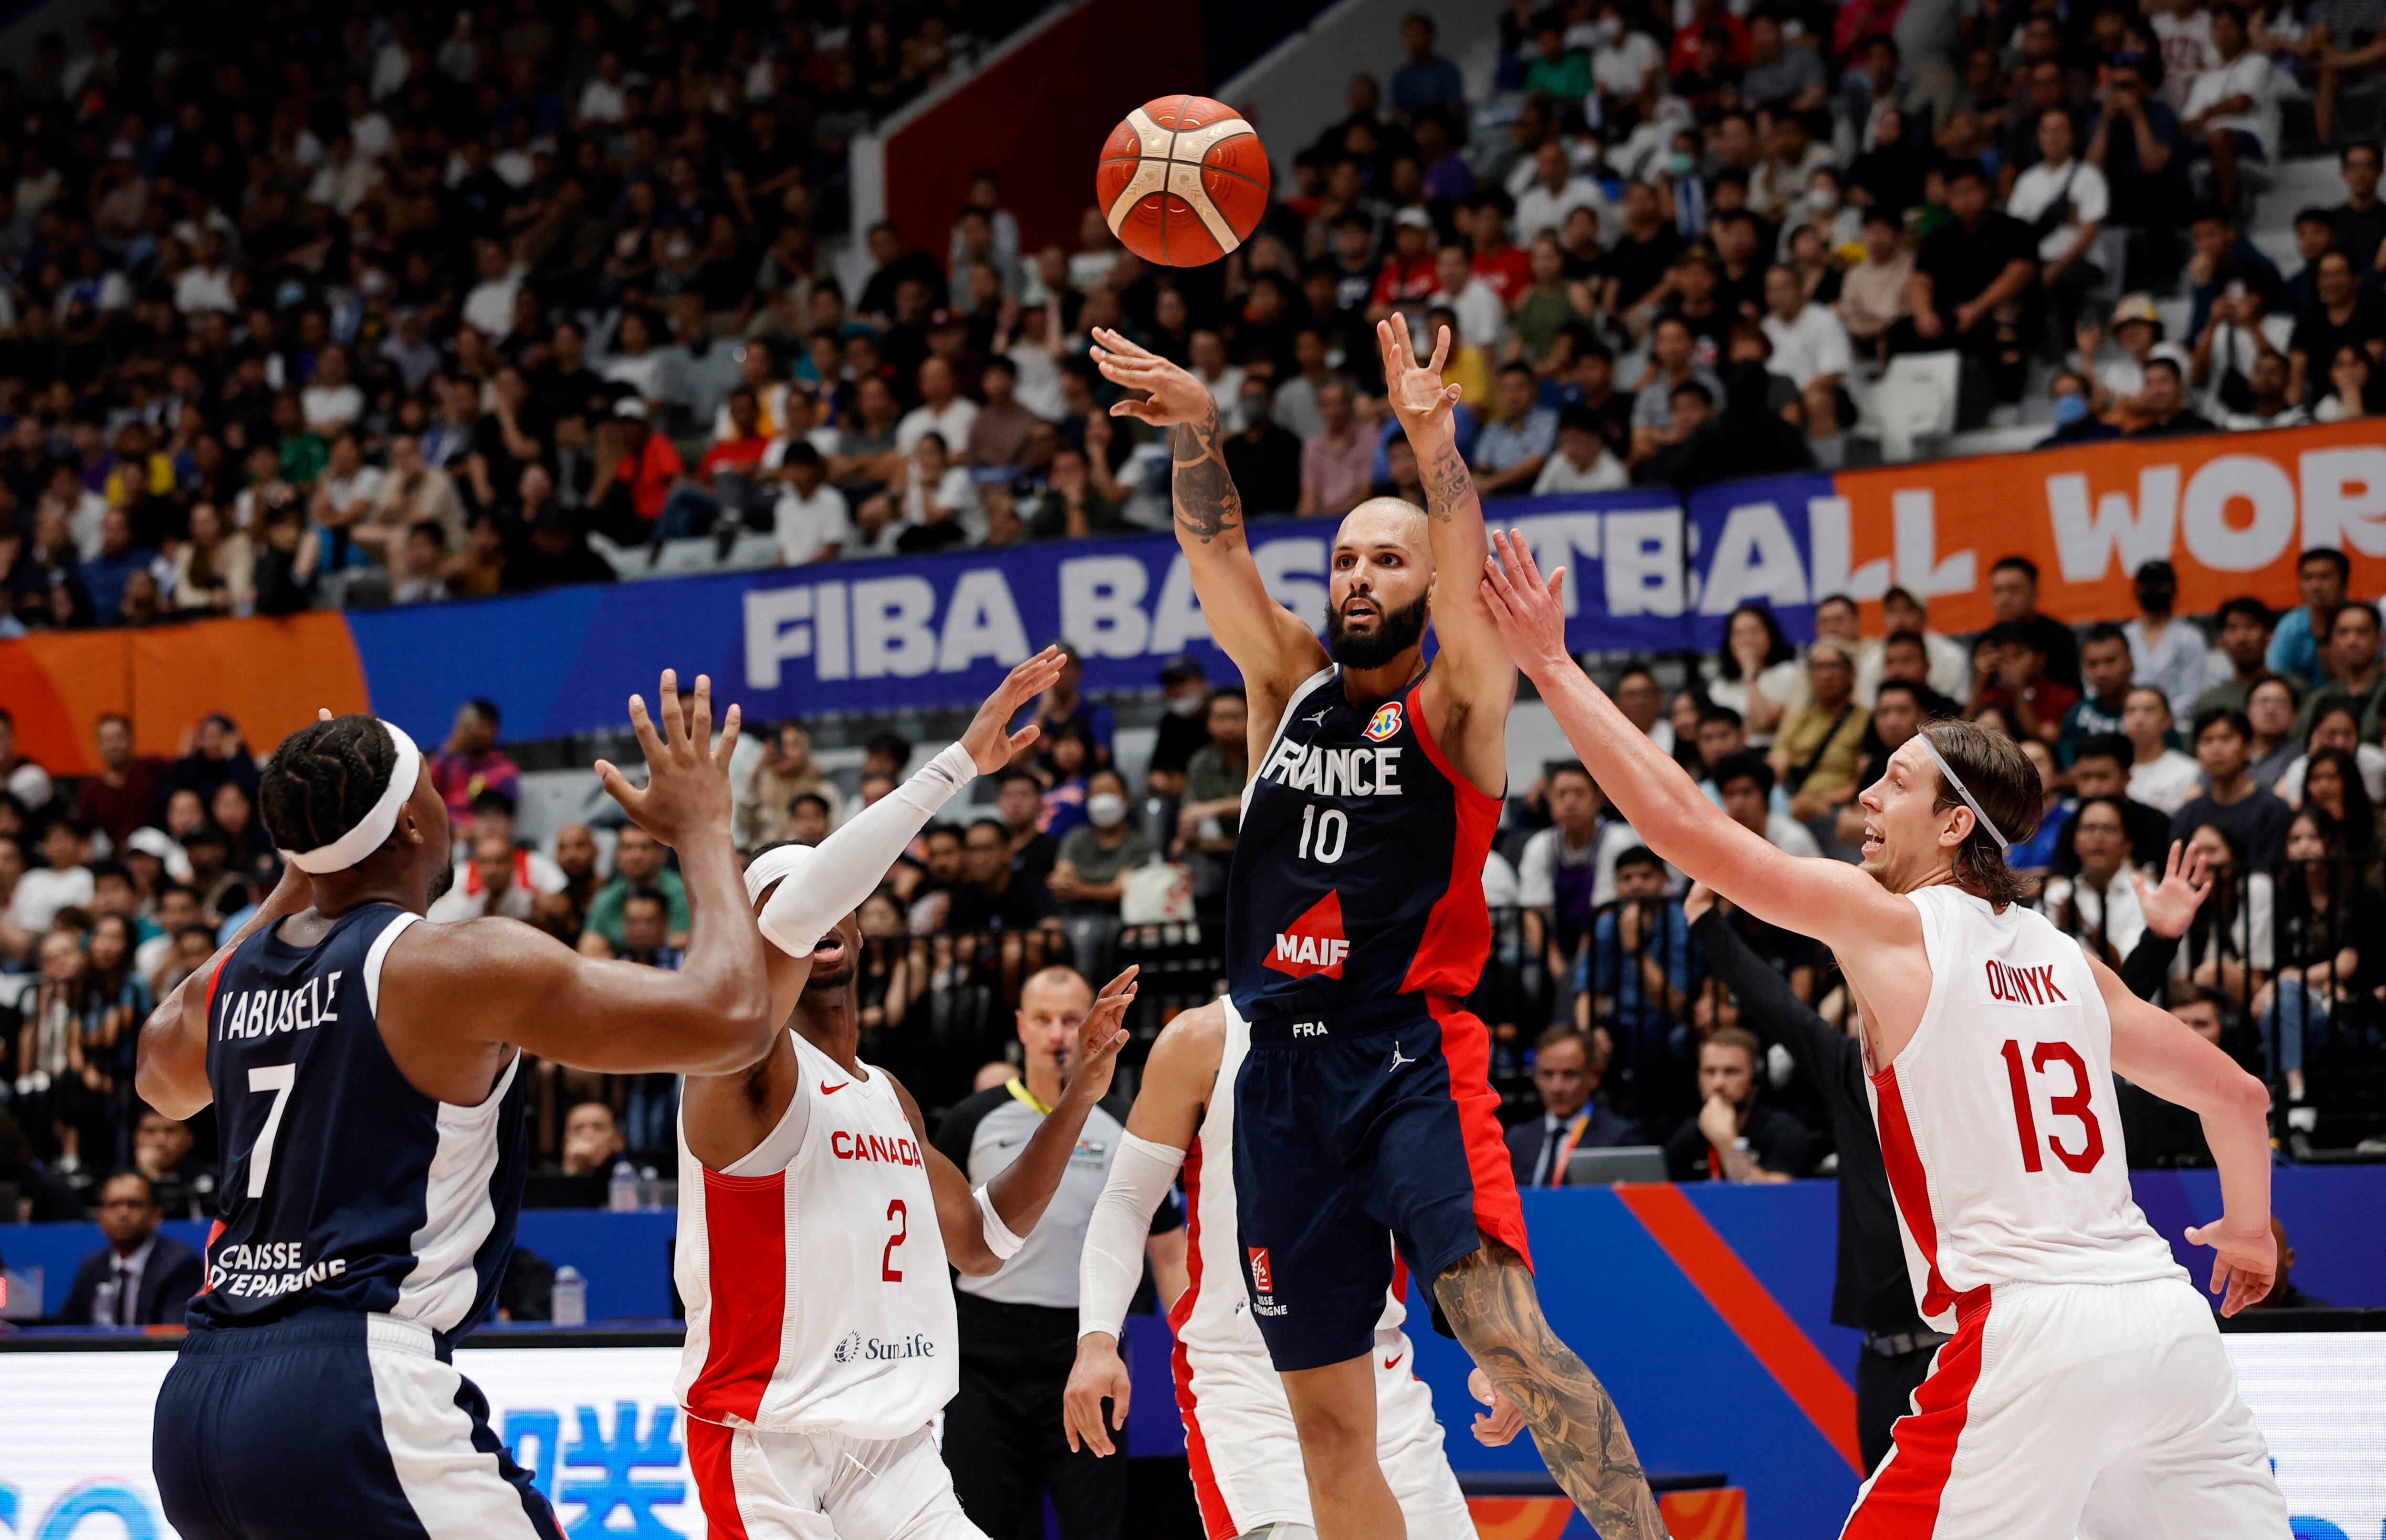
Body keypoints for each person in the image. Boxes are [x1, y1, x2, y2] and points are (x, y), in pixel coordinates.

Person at [1479, 531, 2288, 1538]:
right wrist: (2250, 1231)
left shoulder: (1894, 926)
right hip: (2168, 1326)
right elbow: (2239, 1098)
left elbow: (1689, 832)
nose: (1866, 796)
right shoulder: (2073, 962)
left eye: (1895, 782)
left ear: (1955, 827)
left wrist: (1551, 667)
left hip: (2027, 1334)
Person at [1089, 318, 1664, 1537]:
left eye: (1386, 564)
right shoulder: (1284, 686)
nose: (1358, 577)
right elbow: (1217, 548)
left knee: (1504, 1333)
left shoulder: (1458, 706)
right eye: (1346, 559)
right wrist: (1198, 429)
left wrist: (1430, 444)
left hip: (1405, 1054)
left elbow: (1464, 578)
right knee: (1330, 1433)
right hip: (1277, 1082)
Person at [136, 675, 779, 1539]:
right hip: (351, 1385)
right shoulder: (450, 965)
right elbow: (733, 1020)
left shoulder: (233, 981)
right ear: (410, 823)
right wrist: (703, 827)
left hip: (197, 1406)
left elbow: (159, 1076)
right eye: (436, 790)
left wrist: (307, 858)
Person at [679, 649, 1148, 1540]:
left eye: (825, 894)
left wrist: (1080, 1095)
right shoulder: (736, 1063)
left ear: (856, 917)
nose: (809, 913)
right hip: (766, 1441)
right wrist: (958, 763)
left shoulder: (885, 1093)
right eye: (780, 903)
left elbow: (984, 1243)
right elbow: (792, 914)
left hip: (894, 1448)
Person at [1062, 998, 1496, 1539]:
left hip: (1376, 1371)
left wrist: (1496, 1345)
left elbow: (1442, 1208)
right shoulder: (1202, 1040)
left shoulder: (1402, 1028)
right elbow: (1127, 1201)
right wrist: (1097, 1339)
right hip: (1245, 1377)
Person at [935, 964, 1183, 1540]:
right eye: (1043, 1020)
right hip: (980, 1362)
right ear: (1021, 1027)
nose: (1058, 1036)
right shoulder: (972, 1120)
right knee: (976, 1528)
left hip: (1084, 1351)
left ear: (1094, 1025)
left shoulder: (1126, 1122)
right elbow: (933, 1249)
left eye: (1072, 1020)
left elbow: (1169, 1253)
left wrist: (1189, 1351)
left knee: (1095, 1526)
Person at [1662, 1027, 1821, 1183]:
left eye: (1731, 1072)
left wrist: (1726, 1141)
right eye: (1710, 1072)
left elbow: (1772, 1200)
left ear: (1755, 1079)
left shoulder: (1784, 1133)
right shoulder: (1687, 1137)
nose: (1718, 1084)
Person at [58, 1169, 204, 1326]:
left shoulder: (180, 1265)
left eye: (134, 1204)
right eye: (113, 1205)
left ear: (156, 1216)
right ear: (100, 1218)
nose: (123, 1213)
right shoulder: (93, 1266)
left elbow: (171, 1335)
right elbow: (68, 1328)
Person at [1508, 1027, 1641, 1186]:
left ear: (1594, 1076)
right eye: (1547, 1074)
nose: (1557, 1088)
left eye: (1570, 1075)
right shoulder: (1517, 1140)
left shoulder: (1620, 1138)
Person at [2170, 708, 2292, 870]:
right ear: (2197, 755)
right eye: (2207, 741)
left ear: (2248, 748)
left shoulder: (2273, 809)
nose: (2216, 749)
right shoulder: (2187, 815)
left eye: (2226, 739)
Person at [2266, 549, 2348, 689]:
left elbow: (2351, 684)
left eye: (2325, 577)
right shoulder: (2290, 628)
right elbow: (2277, 680)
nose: (2316, 586)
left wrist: (2322, 634)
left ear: (2344, 583)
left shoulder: (2361, 620)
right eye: (2308, 578)